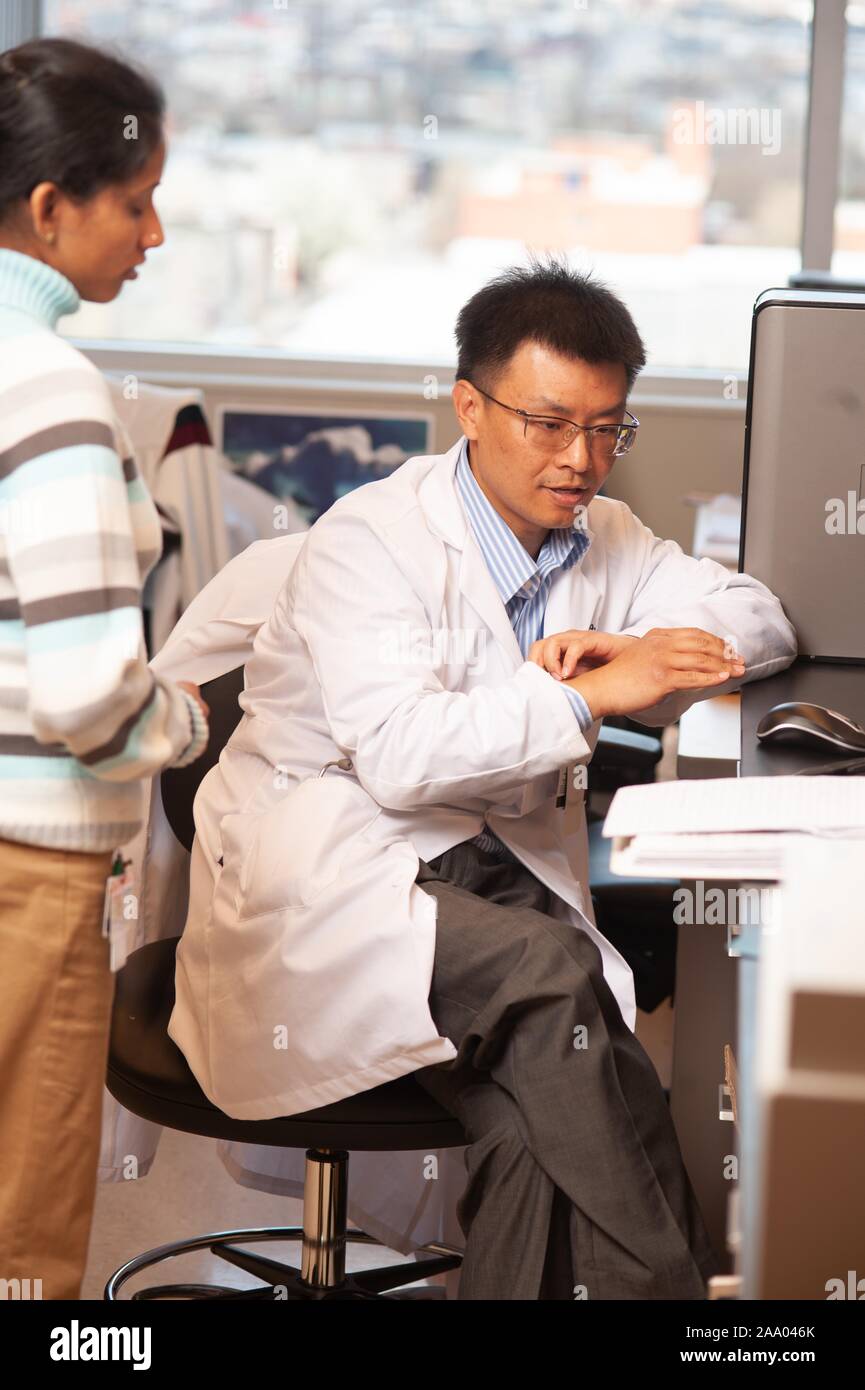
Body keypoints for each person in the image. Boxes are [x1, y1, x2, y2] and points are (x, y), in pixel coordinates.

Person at [169, 266, 798, 1299]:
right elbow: (406, 757)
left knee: (526, 1119)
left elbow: (759, 616)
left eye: (608, 429)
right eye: (549, 423)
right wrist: (596, 698)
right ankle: (681, 1300)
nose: (582, 459)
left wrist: (631, 644)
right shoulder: (370, 540)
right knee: (558, 975)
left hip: (479, 870)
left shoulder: (604, 537)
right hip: (329, 876)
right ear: (470, 405)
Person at [0, 37, 210, 1300]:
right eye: (135, 203)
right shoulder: (52, 392)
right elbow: (89, 699)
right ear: (47, 209)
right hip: (28, 871)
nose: (156, 232)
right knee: (24, 1242)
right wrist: (185, 720)